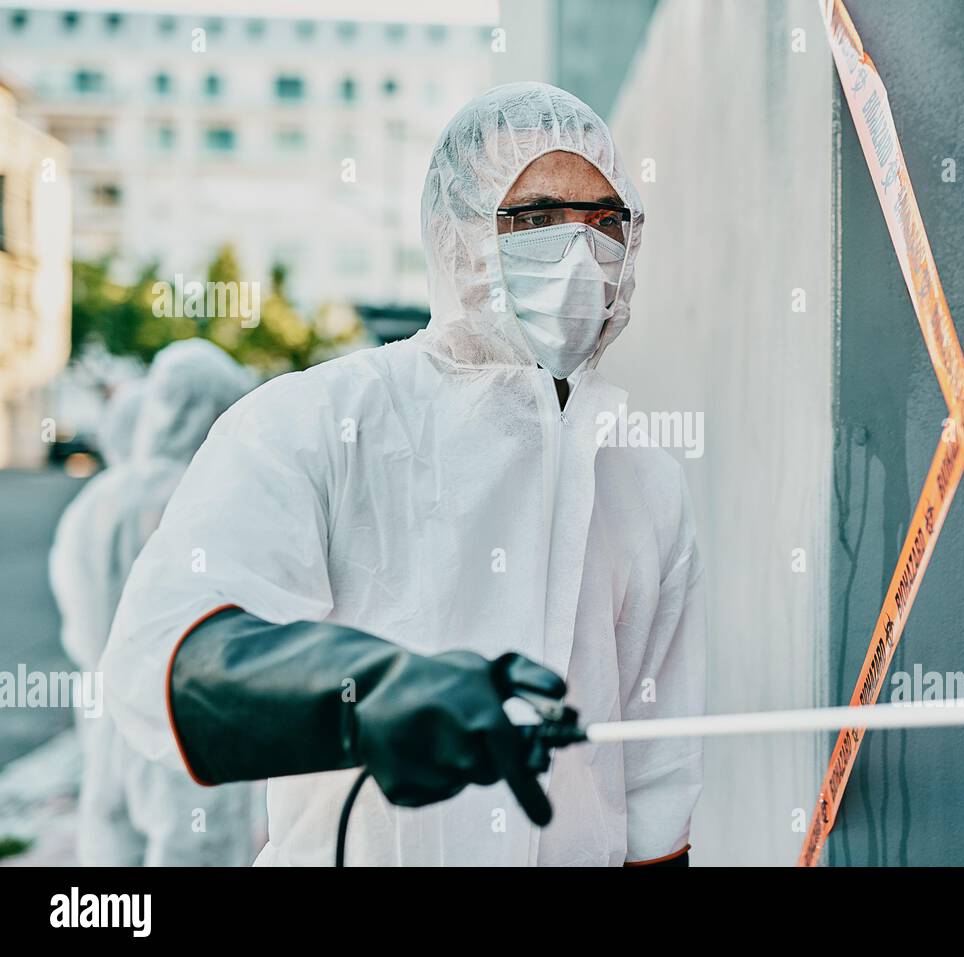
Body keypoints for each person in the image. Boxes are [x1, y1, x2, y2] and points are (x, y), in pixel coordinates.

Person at [101, 82, 706, 867]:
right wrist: (366, 689)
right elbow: (160, 660)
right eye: (536, 220)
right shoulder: (317, 422)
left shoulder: (642, 478)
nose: (580, 254)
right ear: (458, 238)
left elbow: (656, 786)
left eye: (604, 222)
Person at [50, 339, 257, 865]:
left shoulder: (98, 500)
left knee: (112, 854)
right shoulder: (207, 497)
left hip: (106, 715)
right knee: (195, 848)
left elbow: (75, 616)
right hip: (185, 725)